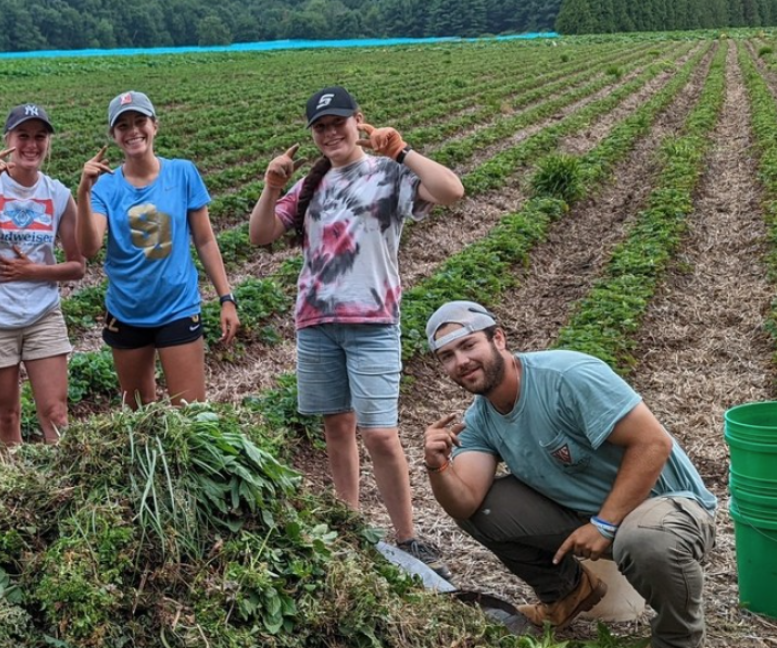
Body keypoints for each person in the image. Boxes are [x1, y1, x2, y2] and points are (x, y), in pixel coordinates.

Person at [248, 86, 464, 577]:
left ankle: (406, 537)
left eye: (338, 123)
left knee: (381, 434)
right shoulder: (309, 185)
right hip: (317, 323)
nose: (330, 133)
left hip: (373, 322)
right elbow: (259, 236)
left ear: (358, 121)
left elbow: (452, 191)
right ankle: (350, 525)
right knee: (336, 428)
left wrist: (402, 151)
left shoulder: (388, 175)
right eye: (320, 127)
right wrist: (270, 186)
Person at [423, 300, 717, 647]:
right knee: (482, 509)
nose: (461, 362)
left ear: (498, 339)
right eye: (448, 356)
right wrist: (437, 465)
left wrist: (605, 524)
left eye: (469, 345)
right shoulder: (479, 420)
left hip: (666, 505)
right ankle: (567, 593)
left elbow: (653, 443)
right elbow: (465, 502)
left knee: (644, 540)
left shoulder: (565, 377)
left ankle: (678, 638)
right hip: (590, 516)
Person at [76, 90, 239, 408]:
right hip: (127, 311)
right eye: (123, 126)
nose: (133, 131)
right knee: (140, 416)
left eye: (140, 121)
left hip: (177, 307)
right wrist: (83, 193)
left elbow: (205, 240)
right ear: (113, 135)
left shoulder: (182, 172)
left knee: (190, 413)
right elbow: (89, 247)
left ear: (155, 125)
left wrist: (226, 298)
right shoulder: (104, 187)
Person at [0, 104, 85, 447]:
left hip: (42, 315)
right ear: (7, 140)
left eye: (39, 137)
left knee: (56, 414)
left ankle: (62, 489)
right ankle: (15, 492)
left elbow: (78, 266)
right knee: (6, 416)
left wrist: (34, 271)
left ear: (48, 143)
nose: (31, 145)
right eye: (23, 136)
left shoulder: (57, 194)